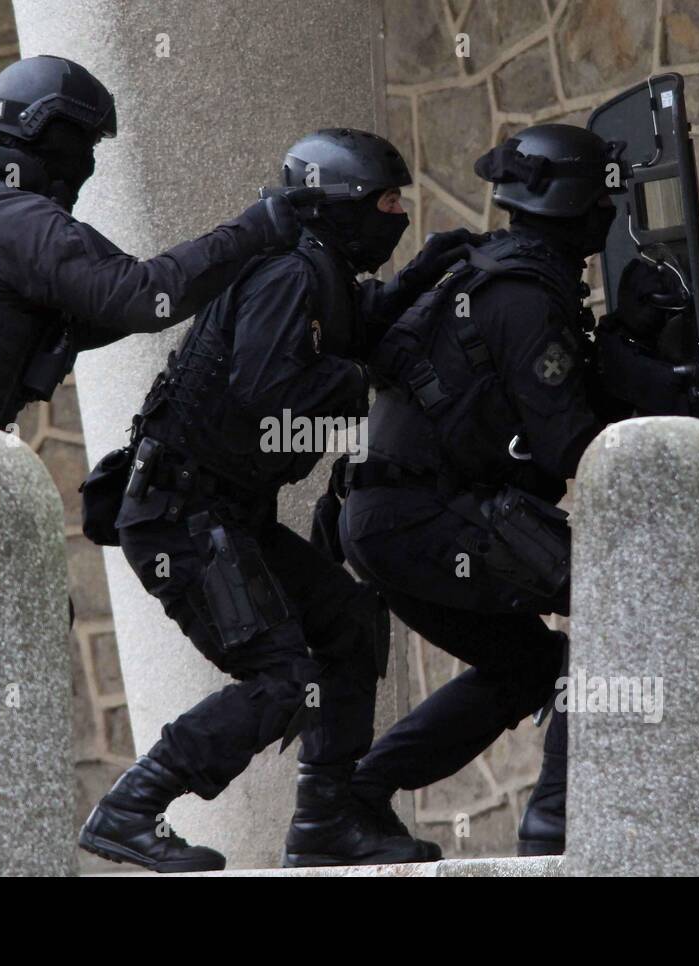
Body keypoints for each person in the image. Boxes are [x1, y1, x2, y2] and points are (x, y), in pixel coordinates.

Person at [78, 129, 475, 872]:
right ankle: (131, 806)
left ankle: (326, 823)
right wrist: (364, 383)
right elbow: (270, 398)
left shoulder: (319, 268)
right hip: (182, 517)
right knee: (284, 679)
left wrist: (423, 277)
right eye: (386, 202)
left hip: (228, 516)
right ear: (342, 206)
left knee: (351, 625)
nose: (397, 215)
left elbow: (353, 324)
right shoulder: (288, 274)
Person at [338, 123, 683, 856]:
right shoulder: (526, 294)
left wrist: (625, 337)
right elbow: (568, 447)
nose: (612, 212)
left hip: (388, 519)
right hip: (428, 518)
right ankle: (558, 825)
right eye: (605, 197)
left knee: (528, 664)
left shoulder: (500, 273)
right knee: (625, 596)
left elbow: (533, 404)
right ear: (581, 207)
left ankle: (356, 800)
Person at [0, 55, 303, 555]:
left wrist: (221, 275)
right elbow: (141, 296)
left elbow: (85, 314)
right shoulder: (13, 218)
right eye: (87, 142)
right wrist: (258, 228)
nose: (90, 163)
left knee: (18, 614)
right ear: (49, 132)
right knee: (24, 619)